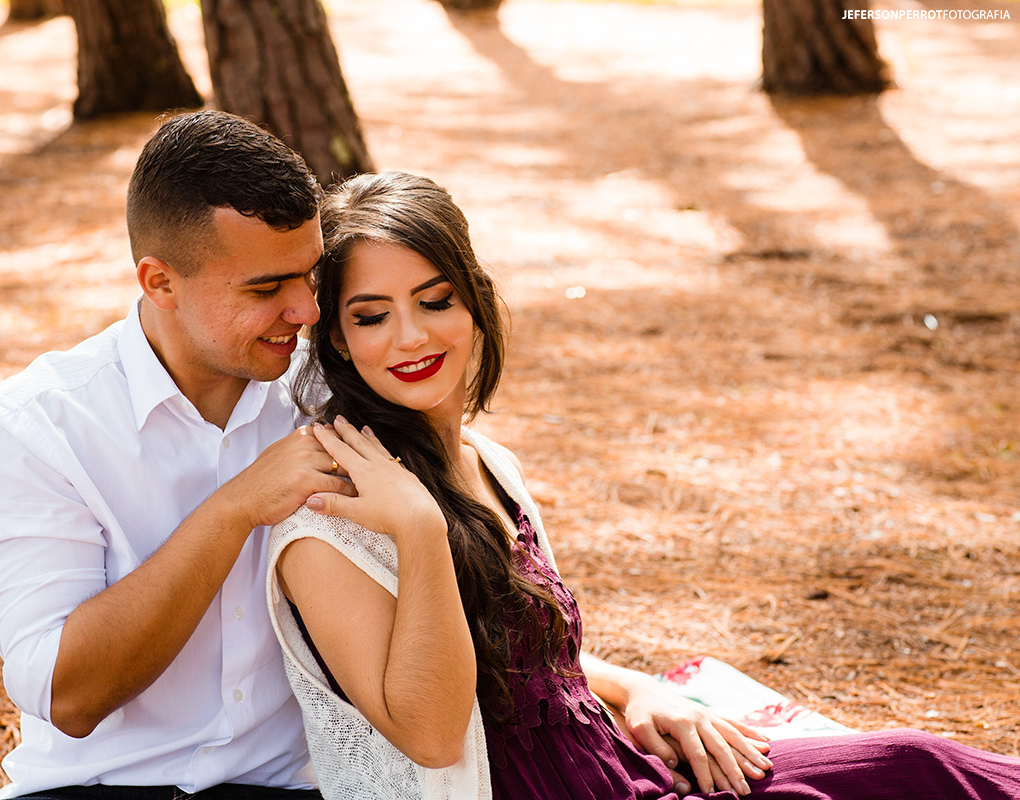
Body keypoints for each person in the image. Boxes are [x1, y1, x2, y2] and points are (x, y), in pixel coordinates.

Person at [266, 170, 1020, 799]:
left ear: (474, 300)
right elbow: (429, 735)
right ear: (336, 337)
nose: (412, 336)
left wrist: (639, 690)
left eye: (436, 301)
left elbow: (520, 655)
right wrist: (421, 531)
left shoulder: (487, 462)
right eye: (372, 316)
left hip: (616, 768)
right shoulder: (327, 521)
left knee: (918, 767)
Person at [0, 110, 356, 800]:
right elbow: (68, 695)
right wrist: (232, 510)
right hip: (95, 788)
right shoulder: (34, 426)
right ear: (159, 282)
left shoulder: (330, 388)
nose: (306, 312)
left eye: (308, 277)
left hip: (295, 786)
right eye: (265, 289)